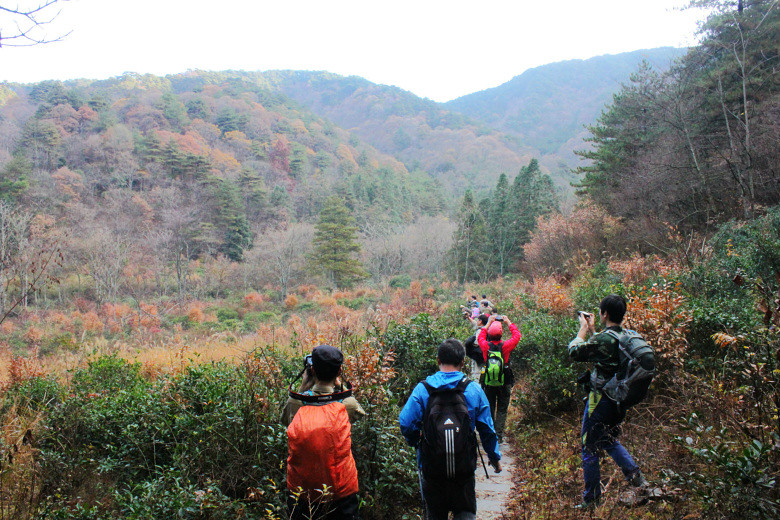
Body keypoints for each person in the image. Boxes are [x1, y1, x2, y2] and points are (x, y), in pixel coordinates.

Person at [399, 339, 501, 520]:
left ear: (438, 360)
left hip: (432, 472)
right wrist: (494, 458)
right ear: (462, 363)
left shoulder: (423, 390)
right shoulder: (473, 389)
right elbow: (487, 429)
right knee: (466, 513)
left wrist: (416, 442)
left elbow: (406, 422)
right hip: (463, 471)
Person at [569, 295, 648, 508]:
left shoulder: (605, 339)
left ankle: (591, 500)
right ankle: (637, 479)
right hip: (619, 401)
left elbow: (575, 351)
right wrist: (595, 330)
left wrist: (583, 330)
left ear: (604, 313)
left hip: (600, 401)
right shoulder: (626, 336)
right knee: (608, 440)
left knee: (589, 447)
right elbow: (605, 353)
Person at [282, 344, 366, 520]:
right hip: (341, 492)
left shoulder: (295, 404)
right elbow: (360, 413)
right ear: (339, 370)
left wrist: (303, 387)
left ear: (312, 369)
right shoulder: (347, 404)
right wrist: (339, 385)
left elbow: (285, 421)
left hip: (302, 493)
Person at [476, 314, 521, 442]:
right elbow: (517, 336)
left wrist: (488, 323)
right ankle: (499, 436)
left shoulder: (485, 346)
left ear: (489, 334)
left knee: (489, 407)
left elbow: (480, 335)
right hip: (504, 380)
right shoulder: (506, 346)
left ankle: (490, 434)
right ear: (501, 334)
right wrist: (508, 322)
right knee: (502, 409)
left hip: (488, 381)